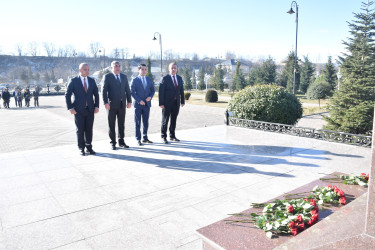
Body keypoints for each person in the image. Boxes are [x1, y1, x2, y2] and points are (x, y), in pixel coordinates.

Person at [65, 63, 99, 156]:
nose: (87, 71)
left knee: (89, 129)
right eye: (85, 69)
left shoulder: (92, 81)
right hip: (78, 110)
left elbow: (96, 94)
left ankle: (89, 147)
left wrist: (96, 106)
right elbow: (67, 95)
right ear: (80, 70)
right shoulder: (74, 81)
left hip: (90, 110)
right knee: (80, 130)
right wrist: (70, 107)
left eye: (88, 69)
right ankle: (81, 148)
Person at [102, 61, 132, 150]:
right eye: (115, 66)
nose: (118, 68)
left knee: (121, 124)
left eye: (119, 66)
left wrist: (129, 101)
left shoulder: (124, 77)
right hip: (111, 105)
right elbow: (104, 91)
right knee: (111, 125)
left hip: (122, 105)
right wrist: (105, 102)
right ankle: (113, 143)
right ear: (111, 68)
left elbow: (127, 89)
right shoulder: (107, 77)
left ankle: (121, 141)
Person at [159, 62, 185, 144]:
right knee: (165, 120)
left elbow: (181, 90)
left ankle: (172, 136)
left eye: (175, 68)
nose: (173, 69)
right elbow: (161, 92)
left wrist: (182, 101)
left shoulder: (179, 78)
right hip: (166, 103)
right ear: (169, 69)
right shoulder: (165, 78)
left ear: (177, 69)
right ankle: (163, 136)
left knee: (174, 120)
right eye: (172, 68)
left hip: (176, 103)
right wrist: (161, 103)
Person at [131, 64, 155, 146]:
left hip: (147, 104)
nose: (144, 71)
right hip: (138, 105)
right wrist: (139, 100)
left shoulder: (149, 79)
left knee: (145, 122)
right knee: (137, 122)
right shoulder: (134, 80)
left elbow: (153, 90)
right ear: (139, 70)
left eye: (145, 69)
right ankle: (138, 139)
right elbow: (132, 92)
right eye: (142, 69)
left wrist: (150, 97)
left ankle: (145, 137)